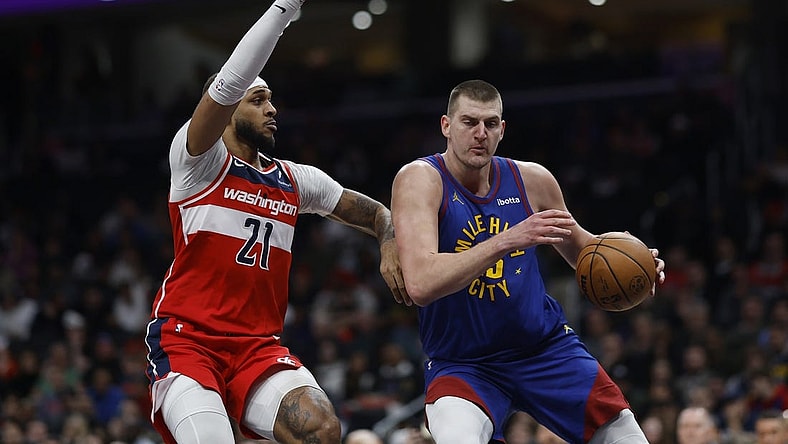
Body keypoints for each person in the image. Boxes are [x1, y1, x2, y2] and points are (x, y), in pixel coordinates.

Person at [143, 1, 409, 443]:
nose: (272, 109)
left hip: (257, 348)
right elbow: (228, 84)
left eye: (272, 100)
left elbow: (376, 212)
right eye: (259, 99)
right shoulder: (198, 164)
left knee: (322, 429)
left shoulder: (295, 180)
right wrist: (285, 7)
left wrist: (388, 240)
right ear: (229, 109)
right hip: (188, 340)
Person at [390, 79, 666, 444]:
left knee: (628, 437)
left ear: (502, 130)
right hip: (464, 362)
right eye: (468, 122)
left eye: (490, 124)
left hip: (544, 349)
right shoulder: (420, 180)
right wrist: (506, 240)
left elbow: (586, 250)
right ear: (446, 125)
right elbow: (421, 284)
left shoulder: (532, 180)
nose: (479, 134)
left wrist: (637, 263)